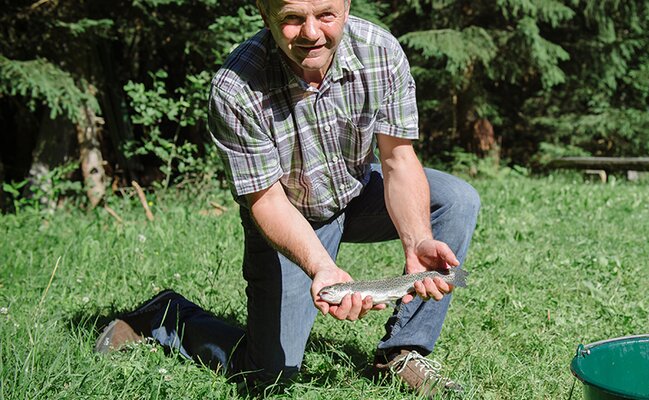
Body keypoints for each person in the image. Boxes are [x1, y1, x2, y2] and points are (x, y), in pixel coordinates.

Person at [93, 0, 480, 396]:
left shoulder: (379, 50)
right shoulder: (236, 87)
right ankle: (166, 315)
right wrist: (321, 267)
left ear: (346, 6)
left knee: (457, 199)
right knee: (268, 374)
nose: (311, 33)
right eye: (292, 19)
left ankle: (401, 353)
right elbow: (267, 201)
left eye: (325, 15)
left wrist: (417, 241)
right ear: (265, 14)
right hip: (290, 214)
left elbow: (398, 159)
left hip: (357, 190)